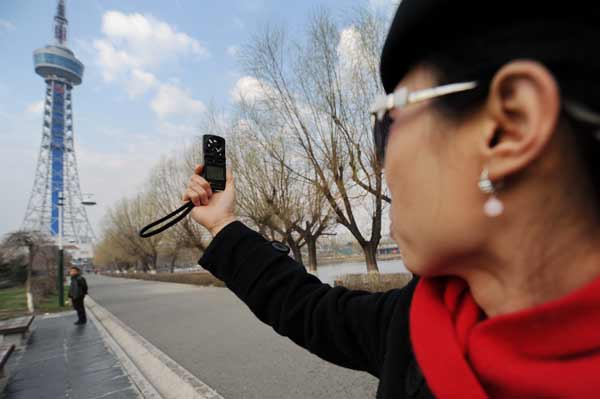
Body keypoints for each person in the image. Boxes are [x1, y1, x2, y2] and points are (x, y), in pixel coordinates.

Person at [182, 1, 600, 397]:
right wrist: (223, 224)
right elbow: (310, 310)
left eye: (387, 121)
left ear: (509, 127)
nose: (383, 162)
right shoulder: (424, 321)